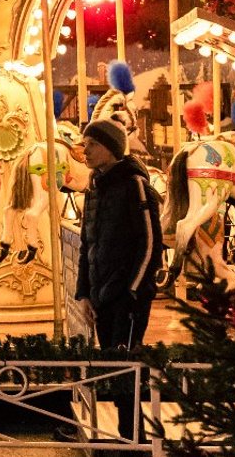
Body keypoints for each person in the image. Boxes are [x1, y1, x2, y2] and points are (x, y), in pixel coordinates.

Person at [74, 118, 163, 441]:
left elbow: (150, 240)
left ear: (111, 148)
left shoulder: (133, 184)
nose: (85, 151)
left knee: (125, 365)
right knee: (113, 365)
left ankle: (134, 436)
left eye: (92, 145)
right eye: (84, 145)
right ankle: (129, 435)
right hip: (102, 291)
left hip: (126, 292)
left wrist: (134, 289)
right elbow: (88, 243)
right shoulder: (94, 187)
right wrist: (84, 292)